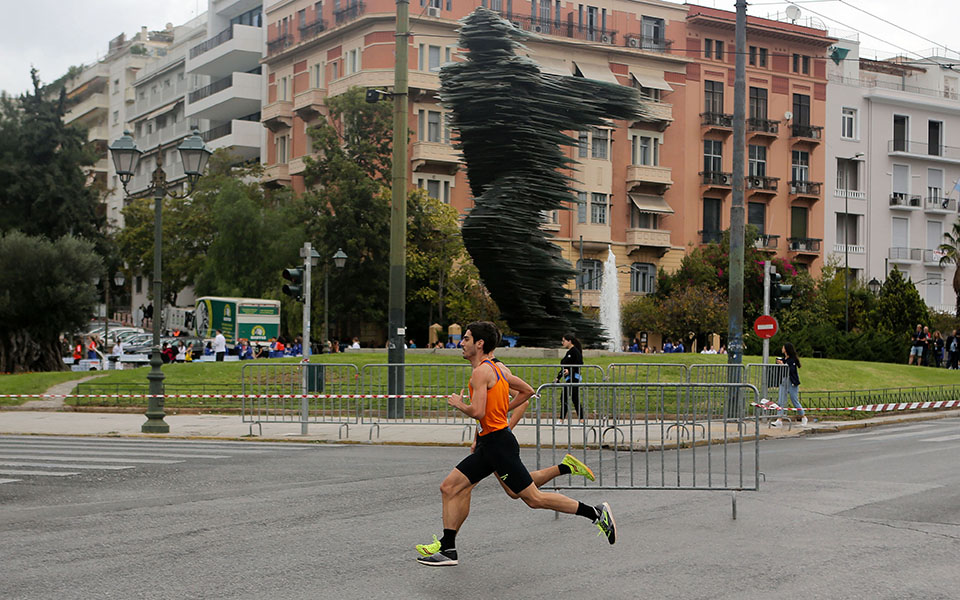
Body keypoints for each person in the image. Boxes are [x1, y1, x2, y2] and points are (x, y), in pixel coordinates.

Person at [415, 321, 616, 567]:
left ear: (479, 343)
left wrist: (459, 404)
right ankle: (448, 549)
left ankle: (596, 513)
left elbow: (478, 411)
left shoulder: (481, 372)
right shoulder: (498, 369)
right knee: (450, 487)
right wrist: (498, 410)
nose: (461, 343)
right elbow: (527, 391)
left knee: (533, 499)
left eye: (466, 339)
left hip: (497, 445)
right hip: (490, 444)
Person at [772, 342, 807, 427]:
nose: (782, 349)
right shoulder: (785, 359)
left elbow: (791, 370)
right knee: (781, 400)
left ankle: (803, 417)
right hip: (783, 381)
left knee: (794, 400)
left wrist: (783, 364)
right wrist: (779, 362)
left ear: (786, 349)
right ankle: (779, 419)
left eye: (783, 347)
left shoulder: (792, 360)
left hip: (792, 382)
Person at [559, 333, 584, 422]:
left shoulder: (574, 351)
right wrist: (558, 378)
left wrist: (570, 370)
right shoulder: (569, 352)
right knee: (569, 398)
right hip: (569, 378)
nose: (562, 343)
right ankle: (580, 419)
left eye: (564, 341)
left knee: (570, 398)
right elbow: (564, 366)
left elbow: (579, 363)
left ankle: (562, 419)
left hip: (574, 378)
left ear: (569, 341)